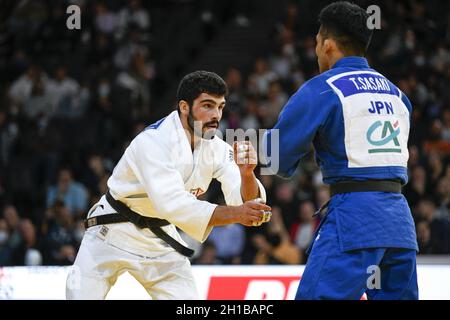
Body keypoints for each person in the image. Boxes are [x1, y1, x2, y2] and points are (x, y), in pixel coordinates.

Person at [66, 70, 270, 299]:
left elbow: (247, 204)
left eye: (220, 107)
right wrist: (237, 214)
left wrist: (247, 175)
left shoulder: (216, 147)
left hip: (158, 236)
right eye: (207, 106)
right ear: (184, 107)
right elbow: (173, 205)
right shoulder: (153, 142)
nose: (216, 114)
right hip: (111, 231)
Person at [263, 2, 418, 300]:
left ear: (329, 45)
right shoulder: (398, 94)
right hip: (400, 224)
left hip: (355, 219)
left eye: (317, 44)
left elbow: (276, 160)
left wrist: (252, 147)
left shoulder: (323, 88)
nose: (316, 51)